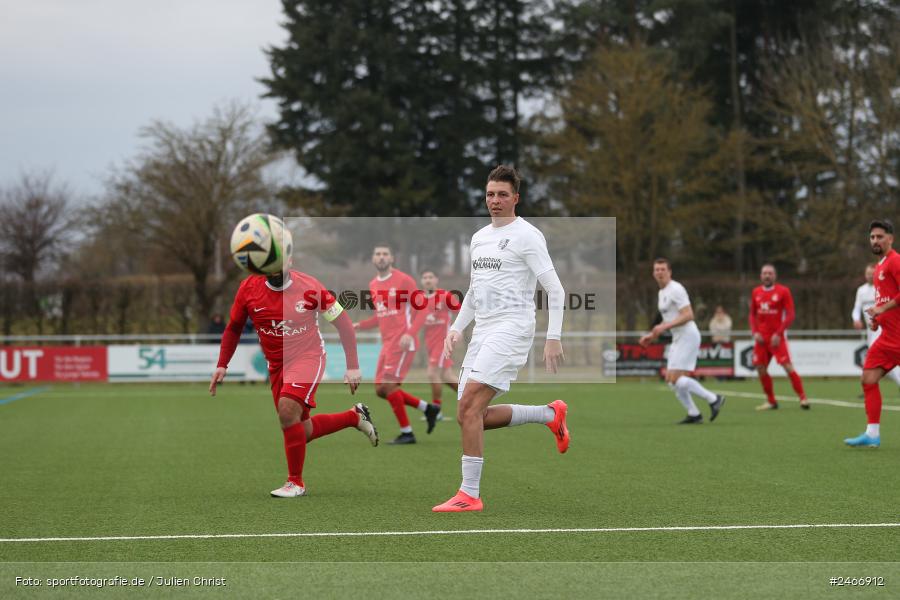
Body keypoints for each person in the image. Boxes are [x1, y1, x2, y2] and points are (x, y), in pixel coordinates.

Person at [433, 165, 569, 513]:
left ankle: (469, 494)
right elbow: (474, 291)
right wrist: (457, 328)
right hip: (482, 331)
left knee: (469, 407)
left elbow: (555, 289)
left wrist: (553, 337)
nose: (495, 200)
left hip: (512, 328)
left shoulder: (528, 236)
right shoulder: (479, 237)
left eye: (502, 195)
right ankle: (548, 414)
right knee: (469, 415)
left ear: (516, 198)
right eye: (490, 194)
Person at [210, 256, 377, 498]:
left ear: (290, 260)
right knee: (301, 429)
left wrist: (353, 366)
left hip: (308, 356)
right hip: (276, 365)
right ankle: (354, 417)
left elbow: (344, 324)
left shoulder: (311, 287)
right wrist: (222, 364)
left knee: (287, 411)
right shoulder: (248, 288)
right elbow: (234, 327)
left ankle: (295, 483)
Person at [354, 245, 441, 444]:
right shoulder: (373, 284)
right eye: (378, 254)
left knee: (388, 385)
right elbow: (381, 315)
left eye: (385, 254)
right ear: (373, 258)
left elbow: (423, 309)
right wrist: (361, 325)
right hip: (387, 344)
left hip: (402, 342)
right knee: (380, 389)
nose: (381, 257)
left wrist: (410, 334)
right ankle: (428, 408)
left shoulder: (404, 280)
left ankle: (407, 433)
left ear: (392, 258)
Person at [639, 259, 726, 424]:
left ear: (669, 272)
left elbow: (688, 315)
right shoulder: (662, 292)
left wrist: (664, 327)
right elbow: (669, 319)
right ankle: (694, 413)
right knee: (671, 380)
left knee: (675, 379)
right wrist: (652, 334)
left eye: (663, 269)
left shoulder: (676, 289)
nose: (659, 272)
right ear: (653, 273)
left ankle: (714, 399)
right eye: (657, 270)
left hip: (688, 335)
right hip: (678, 337)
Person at [845, 220, 900, 448]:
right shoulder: (879, 267)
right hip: (887, 337)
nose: (875, 240)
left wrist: (882, 309)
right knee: (868, 379)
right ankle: (872, 434)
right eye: (872, 237)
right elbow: (884, 299)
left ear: (890, 239)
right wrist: (877, 319)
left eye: (880, 236)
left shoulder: (895, 261)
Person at [749, 264, 809, 410]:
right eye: (764, 273)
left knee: (787, 366)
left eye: (770, 273)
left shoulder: (783, 291)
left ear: (775, 276)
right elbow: (752, 314)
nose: (767, 276)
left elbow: (790, 314)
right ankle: (771, 401)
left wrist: (778, 333)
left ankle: (803, 398)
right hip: (761, 339)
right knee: (760, 368)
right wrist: (755, 332)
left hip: (777, 338)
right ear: (761, 276)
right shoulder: (756, 292)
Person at [405, 269, 460, 420]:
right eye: (425, 277)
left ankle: (436, 411)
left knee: (432, 373)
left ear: (436, 280)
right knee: (446, 376)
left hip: (443, 342)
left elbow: (461, 313)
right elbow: (413, 321)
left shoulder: (445, 296)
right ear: (421, 281)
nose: (428, 280)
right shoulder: (418, 300)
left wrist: (457, 331)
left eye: (431, 277)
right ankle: (471, 397)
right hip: (430, 343)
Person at [852, 263, 900, 389]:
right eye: (867, 274)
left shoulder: (882, 288)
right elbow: (856, 308)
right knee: (882, 363)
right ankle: (870, 384)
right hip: (871, 331)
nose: (869, 276)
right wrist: (856, 319)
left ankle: (869, 384)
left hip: (883, 329)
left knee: (879, 361)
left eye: (872, 274)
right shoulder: (861, 290)